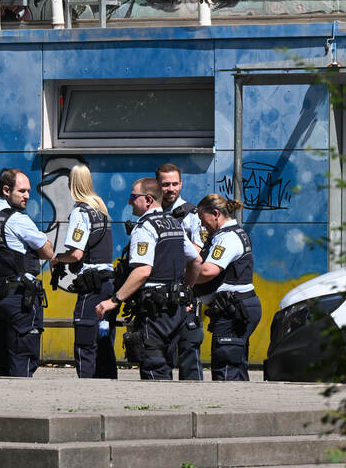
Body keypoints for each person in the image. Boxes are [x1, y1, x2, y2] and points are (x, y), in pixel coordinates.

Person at [96, 178, 199, 380]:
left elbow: (142, 271)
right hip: (176, 309)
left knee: (154, 368)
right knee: (167, 363)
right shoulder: (174, 223)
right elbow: (196, 260)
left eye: (133, 197)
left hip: (155, 311)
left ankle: (156, 409)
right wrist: (187, 290)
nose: (129, 202)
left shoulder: (145, 228)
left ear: (148, 200)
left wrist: (114, 300)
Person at [0, 168, 54, 377]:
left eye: (28, 191)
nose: (27, 196)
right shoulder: (17, 219)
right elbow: (48, 252)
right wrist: (44, 239)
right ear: (5, 190)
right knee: (23, 360)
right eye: (22, 191)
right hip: (19, 300)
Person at [51, 164, 117, 379]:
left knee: (85, 341)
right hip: (108, 284)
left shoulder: (81, 212)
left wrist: (57, 259)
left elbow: (76, 254)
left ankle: (87, 388)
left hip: (91, 285)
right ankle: (108, 385)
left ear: (72, 184)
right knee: (104, 341)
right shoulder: (101, 209)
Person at [189, 194, 262, 381]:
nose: (202, 224)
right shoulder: (226, 235)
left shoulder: (227, 238)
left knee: (226, 370)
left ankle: (229, 407)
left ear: (215, 214)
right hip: (235, 308)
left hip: (233, 310)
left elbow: (208, 271)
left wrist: (184, 279)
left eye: (202, 219)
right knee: (235, 368)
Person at [156, 163, 204, 381]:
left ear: (181, 184)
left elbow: (199, 251)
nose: (171, 189)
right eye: (166, 184)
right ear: (158, 185)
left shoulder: (191, 214)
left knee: (188, 347)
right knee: (159, 348)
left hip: (184, 288)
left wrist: (173, 242)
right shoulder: (152, 212)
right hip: (159, 289)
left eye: (175, 184)